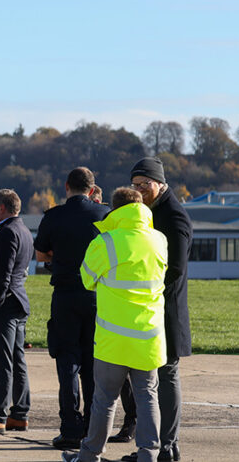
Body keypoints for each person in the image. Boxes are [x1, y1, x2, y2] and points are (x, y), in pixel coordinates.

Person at [61, 187, 168, 462]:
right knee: (148, 397)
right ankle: (149, 453)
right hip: (149, 336)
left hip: (114, 337)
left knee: (104, 399)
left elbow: (86, 279)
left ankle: (90, 453)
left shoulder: (106, 241)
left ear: (115, 210)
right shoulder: (159, 240)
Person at [119, 157, 192, 462]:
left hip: (165, 311)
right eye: (134, 185)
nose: (138, 190)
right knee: (144, 379)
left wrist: (140, 287)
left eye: (144, 184)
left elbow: (174, 268)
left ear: (160, 184)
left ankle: (168, 445)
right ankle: (148, 443)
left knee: (166, 374)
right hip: (144, 310)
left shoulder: (174, 217)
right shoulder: (143, 213)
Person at [35, 167, 110, 449]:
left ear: (66, 186)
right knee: (93, 365)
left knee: (67, 363)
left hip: (65, 293)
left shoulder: (53, 215)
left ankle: (69, 428)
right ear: (92, 189)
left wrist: (59, 255)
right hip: (96, 295)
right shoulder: (104, 215)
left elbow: (40, 253)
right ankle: (93, 427)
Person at [0, 188, 32, 434]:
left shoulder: (7, 233)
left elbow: (3, 273)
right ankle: (19, 414)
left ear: (2, 208)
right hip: (19, 302)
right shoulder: (23, 230)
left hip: (5, 306)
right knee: (18, 360)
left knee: (3, 363)